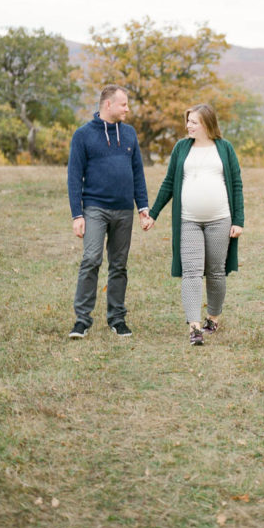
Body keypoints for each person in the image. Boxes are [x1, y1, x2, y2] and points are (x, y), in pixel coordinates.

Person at [144, 103, 244, 345]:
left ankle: (213, 318)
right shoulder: (181, 148)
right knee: (191, 272)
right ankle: (194, 327)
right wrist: (153, 213)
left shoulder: (224, 148)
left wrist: (239, 221)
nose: (188, 125)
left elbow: (236, 184)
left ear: (207, 124)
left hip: (220, 219)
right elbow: (169, 183)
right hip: (188, 221)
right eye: (188, 121)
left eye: (194, 122)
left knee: (216, 272)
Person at [67, 84, 150, 339]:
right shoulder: (83, 135)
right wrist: (77, 215)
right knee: (91, 259)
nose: (127, 108)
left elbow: (137, 172)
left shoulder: (129, 134)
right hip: (95, 208)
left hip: (124, 209)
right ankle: (82, 320)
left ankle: (117, 319)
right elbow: (73, 176)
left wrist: (143, 207)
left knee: (119, 265)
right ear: (108, 105)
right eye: (123, 104)